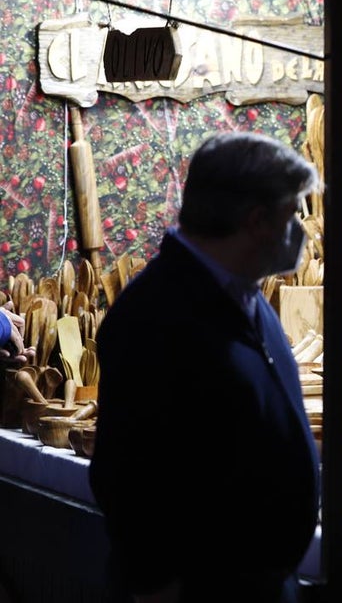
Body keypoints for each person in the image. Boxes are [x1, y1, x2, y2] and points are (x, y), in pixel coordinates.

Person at [89, 131, 321, 603]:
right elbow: (129, 478)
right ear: (257, 221)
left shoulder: (249, 299)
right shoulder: (153, 314)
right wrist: (159, 587)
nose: (301, 228)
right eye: (292, 213)